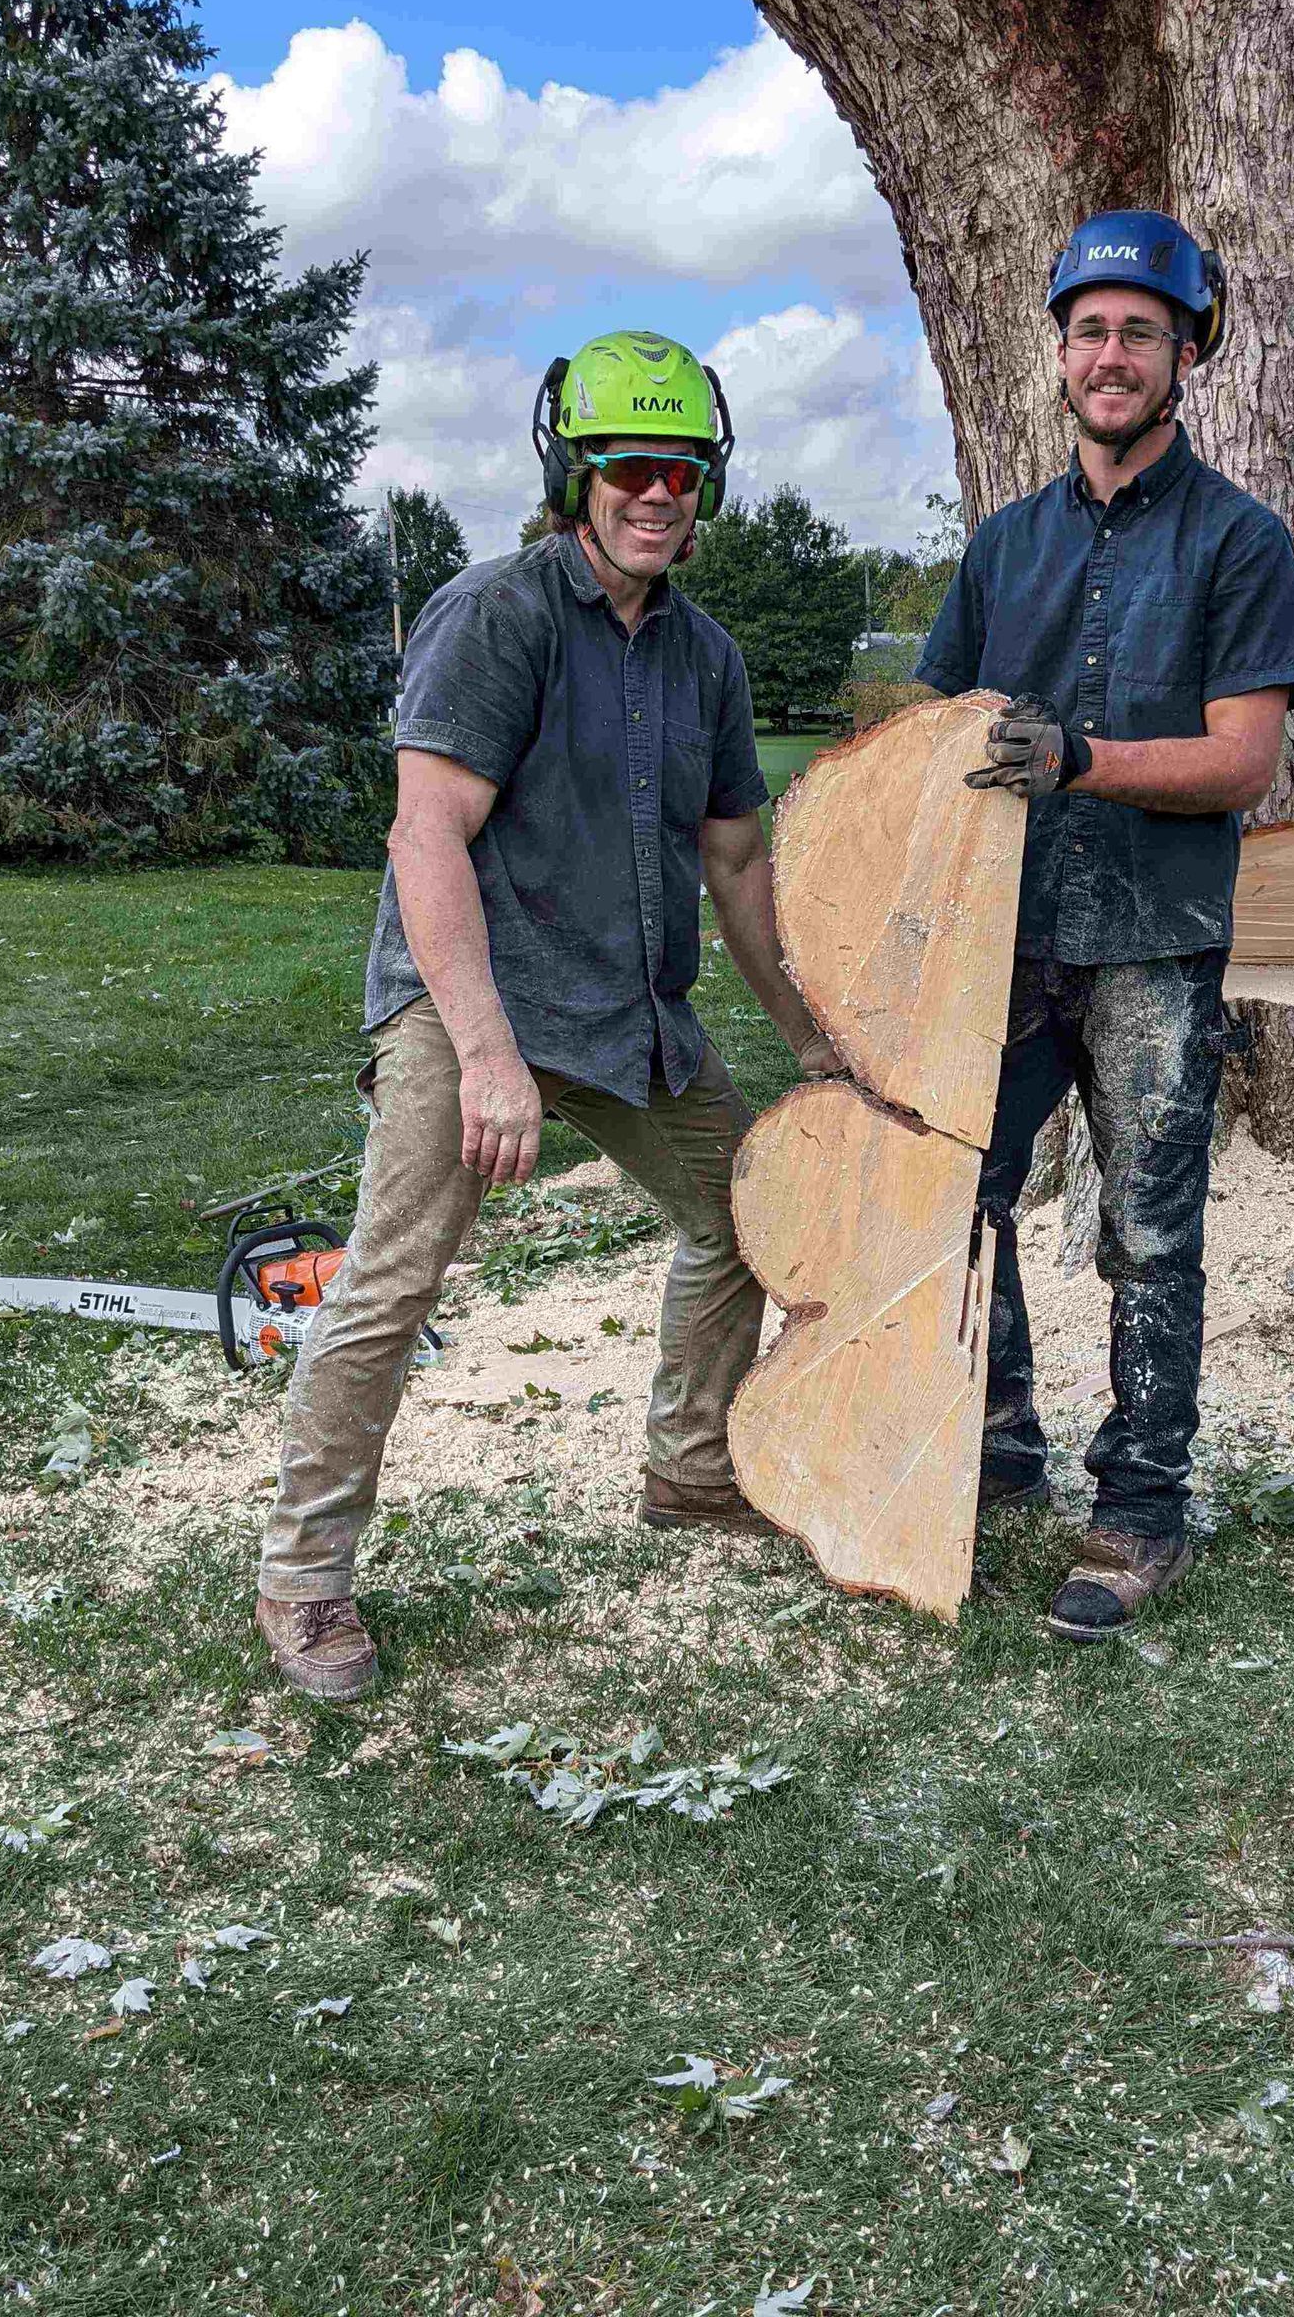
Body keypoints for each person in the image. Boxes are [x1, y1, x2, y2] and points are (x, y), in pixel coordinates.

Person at [254, 330, 839, 1701]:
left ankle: (691, 1472)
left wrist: (811, 1032)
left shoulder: (706, 660)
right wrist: (488, 1059)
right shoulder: (498, 614)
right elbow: (424, 839)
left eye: (680, 472)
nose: (656, 495)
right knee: (392, 1285)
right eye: (629, 468)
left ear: (707, 486)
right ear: (573, 472)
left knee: (747, 1209)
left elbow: (740, 861)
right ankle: (304, 1576)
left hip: (626, 1012)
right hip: (475, 1007)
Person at [917, 211, 1294, 1642]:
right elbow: (937, 730)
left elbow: (1240, 760)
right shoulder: (1004, 547)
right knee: (961, 1199)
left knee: (1150, 1233)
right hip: (1005, 941)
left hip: (1154, 936)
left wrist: (1080, 759)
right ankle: (997, 1440)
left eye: (1141, 331)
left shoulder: (1240, 541)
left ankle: (1142, 1508)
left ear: (1187, 352)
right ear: (1062, 350)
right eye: (1090, 328)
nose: (1111, 354)